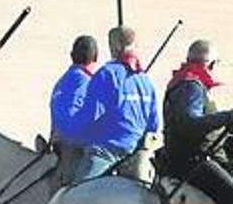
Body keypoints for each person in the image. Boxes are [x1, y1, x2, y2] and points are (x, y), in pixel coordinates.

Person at [162, 40, 233, 204]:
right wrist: (227, 117)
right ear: (210, 64)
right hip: (190, 162)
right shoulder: (191, 86)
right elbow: (190, 124)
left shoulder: (188, 82)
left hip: (197, 156)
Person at [70, 26, 159, 183]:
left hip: (106, 153)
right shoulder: (146, 81)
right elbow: (153, 125)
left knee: (74, 196)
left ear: (115, 46)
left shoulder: (106, 74)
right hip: (135, 156)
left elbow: (89, 116)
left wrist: (70, 132)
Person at [49, 35, 99, 184]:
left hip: (57, 146)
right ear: (95, 57)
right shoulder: (88, 83)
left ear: (72, 56)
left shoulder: (62, 81)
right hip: (75, 150)